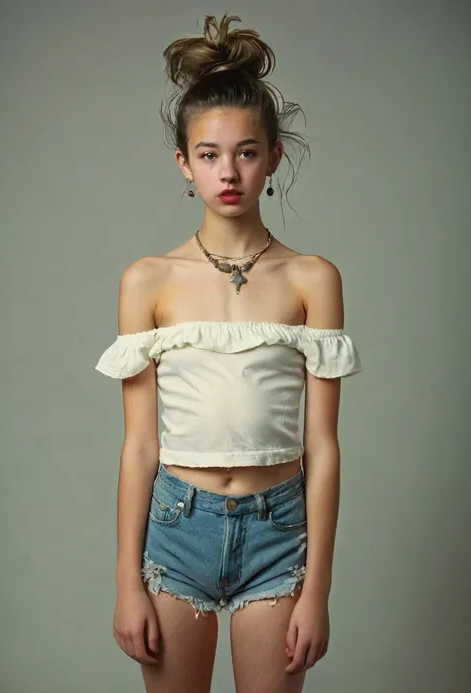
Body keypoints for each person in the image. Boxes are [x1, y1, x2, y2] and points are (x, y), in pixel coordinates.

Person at [95, 13, 361, 693]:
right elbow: (138, 448)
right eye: (209, 155)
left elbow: (323, 447)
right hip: (177, 530)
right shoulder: (147, 281)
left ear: (273, 156)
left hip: (278, 531)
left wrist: (317, 590)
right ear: (184, 163)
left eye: (246, 151)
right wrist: (127, 582)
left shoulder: (312, 279)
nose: (229, 171)